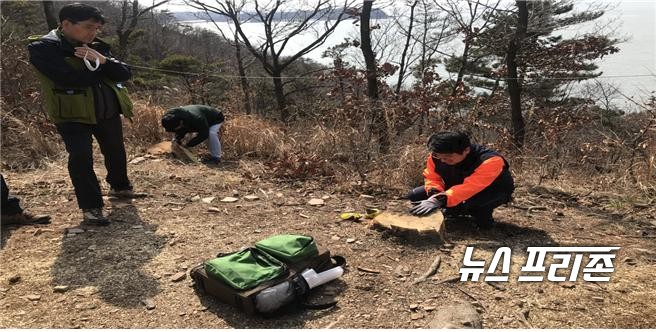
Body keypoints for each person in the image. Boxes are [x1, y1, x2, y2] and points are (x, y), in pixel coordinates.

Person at [28, 3, 139, 226]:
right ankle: (92, 207)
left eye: (97, 28)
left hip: (106, 109)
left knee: (115, 150)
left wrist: (103, 60)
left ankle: (120, 187)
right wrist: (100, 67)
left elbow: (124, 73)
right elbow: (67, 78)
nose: (93, 32)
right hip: (71, 113)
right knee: (81, 158)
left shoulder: (97, 46)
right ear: (66, 23)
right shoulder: (43, 48)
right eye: (88, 27)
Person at [408, 132, 514, 229]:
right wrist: (434, 193)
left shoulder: (490, 160)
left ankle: (481, 217)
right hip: (458, 186)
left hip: (491, 191)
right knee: (415, 195)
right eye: (439, 156)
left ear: (466, 150)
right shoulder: (437, 156)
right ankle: (455, 209)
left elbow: (471, 187)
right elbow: (432, 177)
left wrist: (440, 200)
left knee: (471, 204)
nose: (443, 160)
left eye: (448, 156)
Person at [161, 105, 225, 164]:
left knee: (211, 133)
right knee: (176, 139)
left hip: (216, 117)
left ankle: (216, 158)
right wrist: (177, 140)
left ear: (181, 122)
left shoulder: (197, 118)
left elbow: (204, 134)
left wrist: (188, 145)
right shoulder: (171, 117)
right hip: (200, 118)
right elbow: (181, 130)